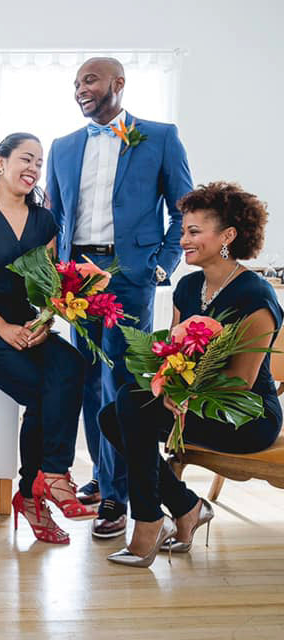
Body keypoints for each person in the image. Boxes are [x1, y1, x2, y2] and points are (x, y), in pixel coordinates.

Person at [46, 56, 193, 538]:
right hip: (77, 277)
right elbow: (55, 218)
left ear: (118, 84)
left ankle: (118, 494)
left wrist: (161, 265)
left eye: (89, 80)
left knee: (123, 381)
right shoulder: (63, 147)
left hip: (130, 275)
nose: (80, 90)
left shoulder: (160, 136)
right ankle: (106, 477)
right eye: (75, 83)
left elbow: (184, 211)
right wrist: (52, 275)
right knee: (87, 377)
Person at [99, 182, 282, 567]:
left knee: (129, 407)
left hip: (245, 414)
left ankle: (150, 521)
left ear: (228, 236)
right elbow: (173, 354)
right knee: (113, 414)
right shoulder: (188, 287)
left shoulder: (255, 296)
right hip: (194, 401)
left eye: (194, 232)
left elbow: (240, 383)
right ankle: (185, 506)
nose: (183, 240)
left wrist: (184, 397)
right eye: (183, 231)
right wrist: (170, 385)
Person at [0, 133, 92, 544]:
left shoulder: (45, 221)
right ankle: (37, 490)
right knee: (45, 390)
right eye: (26, 159)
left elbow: (47, 283)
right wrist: (2, 328)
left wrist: (46, 321)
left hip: (28, 326)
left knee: (73, 365)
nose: (33, 168)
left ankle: (48, 477)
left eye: (39, 162)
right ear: (1, 161)